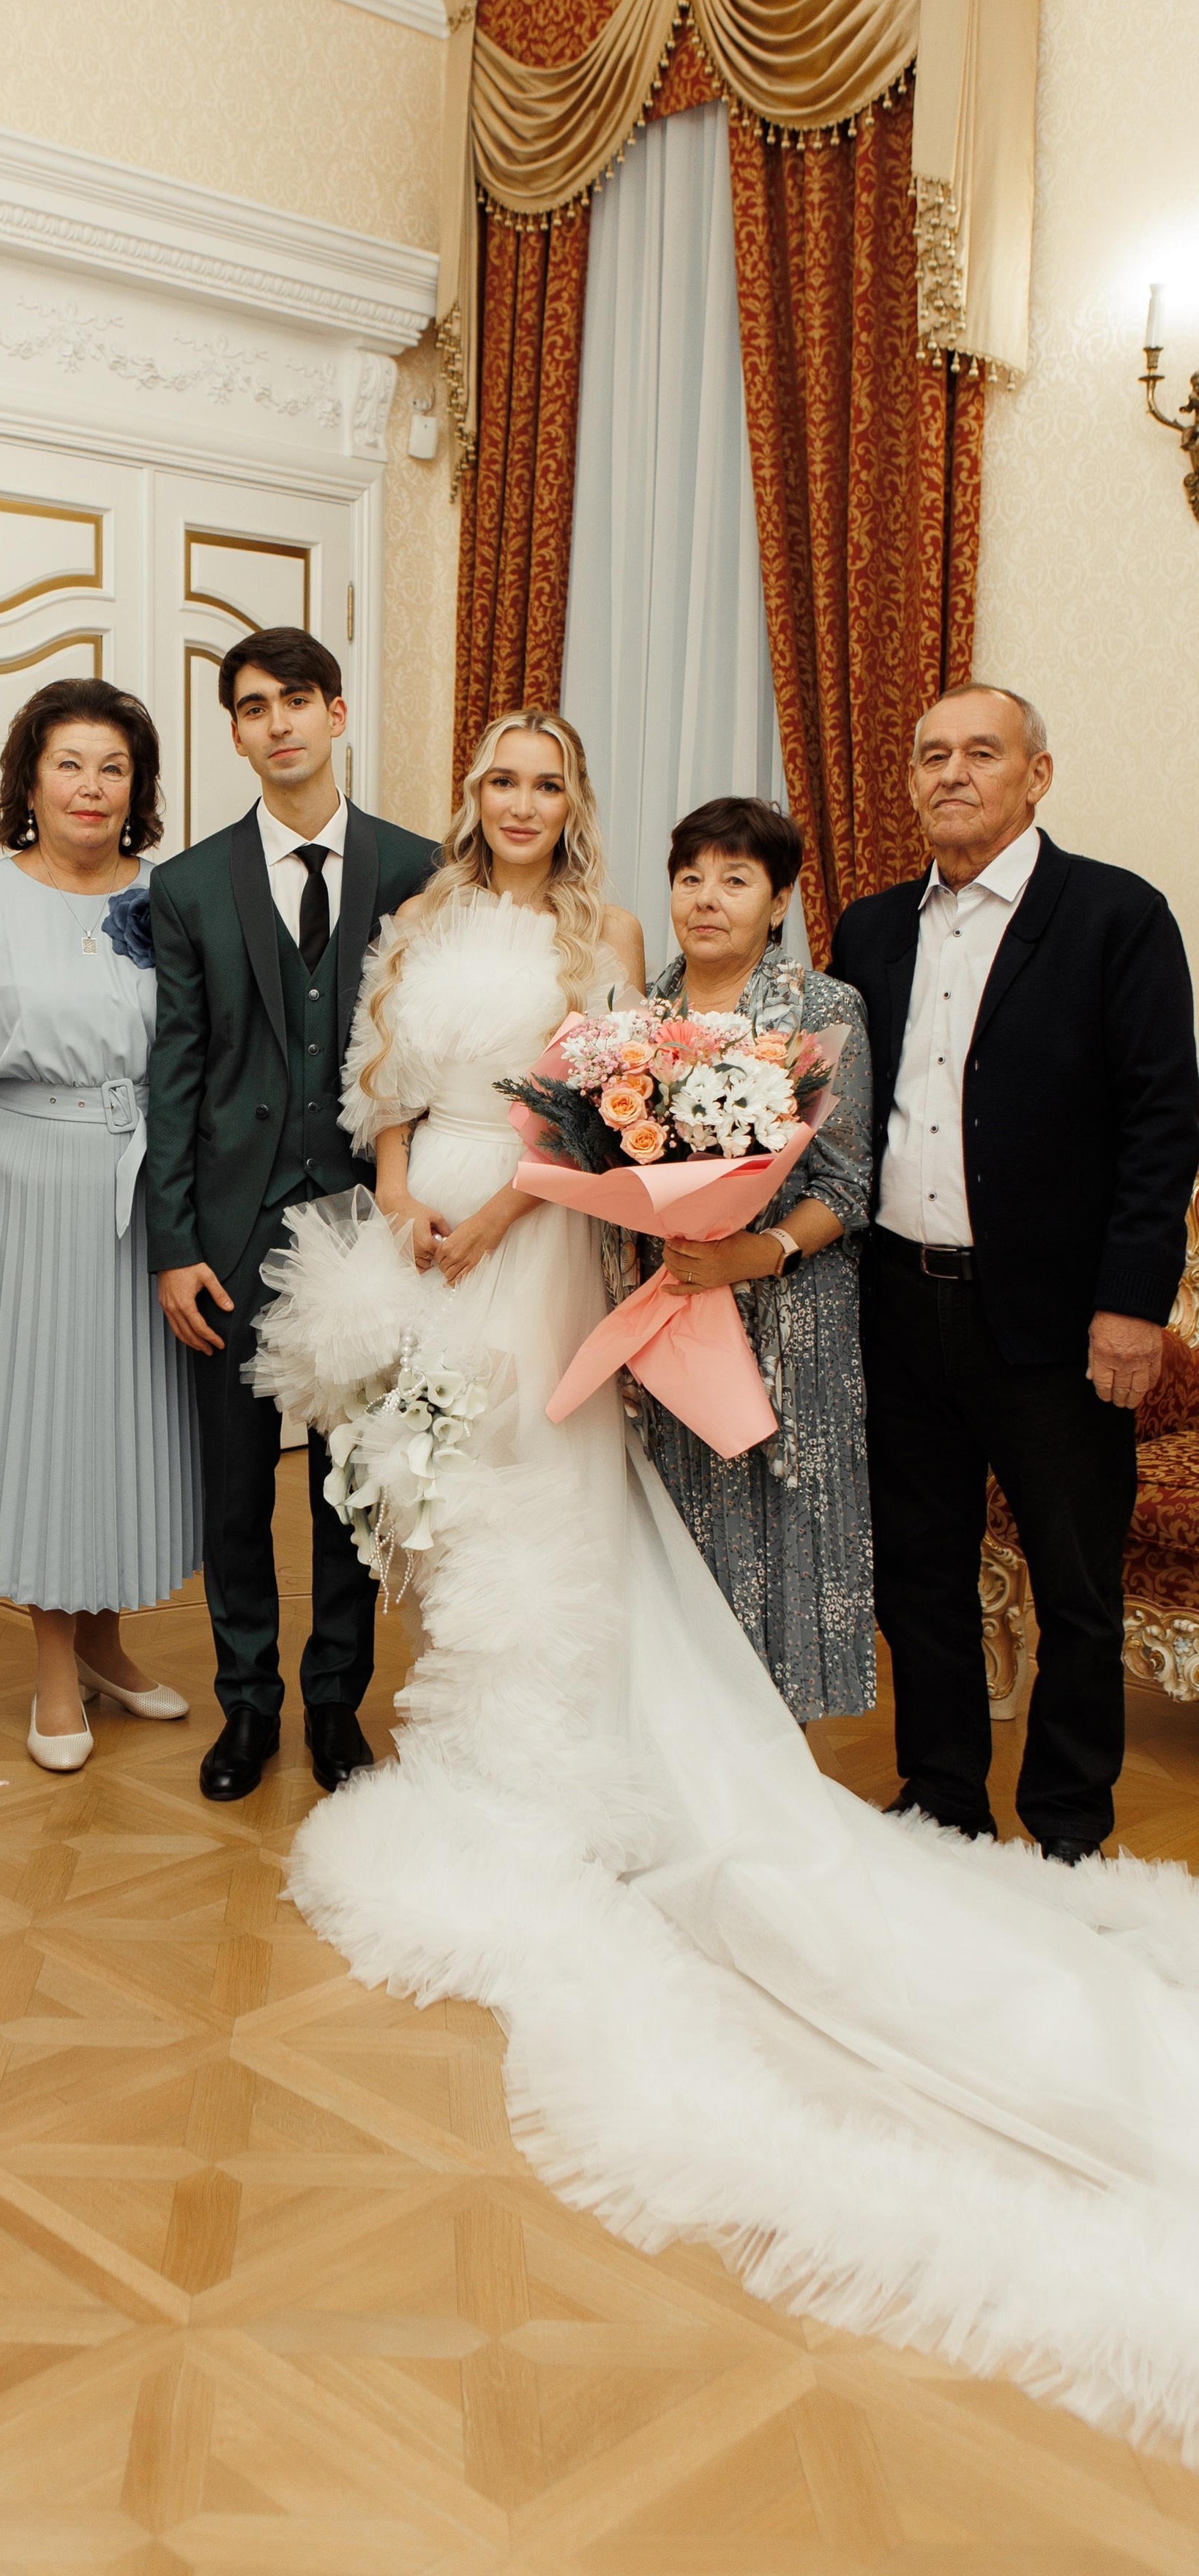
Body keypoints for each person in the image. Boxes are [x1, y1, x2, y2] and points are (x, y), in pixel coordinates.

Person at [248, 711, 1199, 2457]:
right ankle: (539, 1742)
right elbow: (399, 1091)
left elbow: (632, 1135)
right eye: (501, 781)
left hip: (640, 1269)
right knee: (452, 1501)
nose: (522, 805)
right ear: (475, 801)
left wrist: (588, 1218)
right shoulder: (459, 921)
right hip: (467, 1261)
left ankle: (977, 1820)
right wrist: (410, 1199)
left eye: (548, 781)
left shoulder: (647, 948)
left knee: (589, 1505)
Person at [832, 684, 1199, 1856]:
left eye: (981, 753)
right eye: (930, 754)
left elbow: (1162, 1124)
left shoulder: (1114, 916)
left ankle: (1069, 1829)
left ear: (1036, 775)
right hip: (898, 1304)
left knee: (1077, 1590)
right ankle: (944, 1805)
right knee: (919, 1577)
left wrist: (1132, 1305)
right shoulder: (872, 928)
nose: (952, 773)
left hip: (1053, 1320)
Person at [147, 626, 436, 1802]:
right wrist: (174, 1247)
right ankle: (246, 1708)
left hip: (371, 1222)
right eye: (253, 707)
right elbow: (172, 1074)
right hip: (231, 1231)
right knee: (233, 1486)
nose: (278, 724)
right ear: (234, 732)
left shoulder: (416, 868)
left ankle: (334, 1706)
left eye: (297, 701)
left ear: (338, 713)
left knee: (350, 1484)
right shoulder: (187, 883)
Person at [0, 681, 199, 1770]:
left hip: (143, 1185)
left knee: (127, 1417)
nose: (91, 786)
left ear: (139, 788)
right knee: (44, 1419)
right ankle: (53, 1673)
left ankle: (112, 1647)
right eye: (69, 763)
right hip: (18, 1179)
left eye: (113, 767)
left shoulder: (175, 897)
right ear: (30, 780)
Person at [640, 797, 874, 1722]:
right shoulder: (636, 1014)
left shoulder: (823, 1009)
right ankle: (695, 1761)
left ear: (778, 901)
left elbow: (848, 1186)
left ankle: (782, 1776)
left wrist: (758, 1250)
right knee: (684, 1542)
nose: (707, 898)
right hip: (674, 1320)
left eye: (735, 879)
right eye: (690, 876)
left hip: (791, 1321)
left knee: (789, 1541)